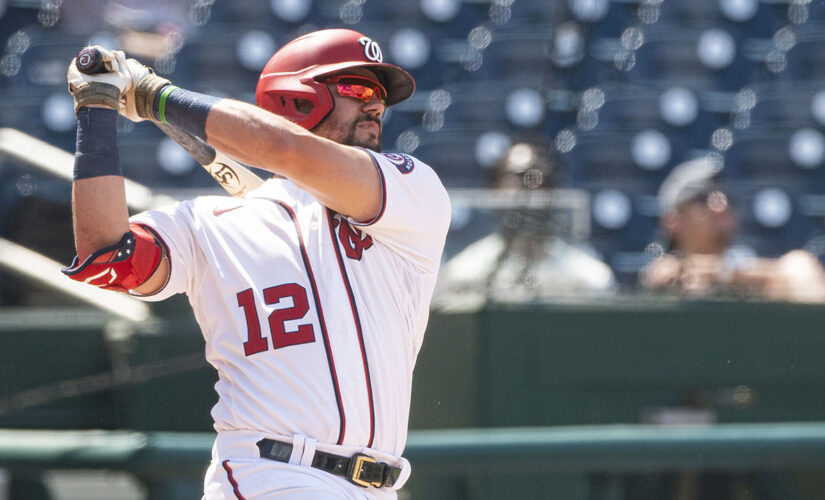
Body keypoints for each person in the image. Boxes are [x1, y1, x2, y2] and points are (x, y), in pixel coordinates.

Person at [61, 29, 450, 499]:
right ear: (297, 100)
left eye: (381, 96)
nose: (375, 105)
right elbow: (107, 254)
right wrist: (97, 110)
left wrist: (156, 96)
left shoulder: (413, 192)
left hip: (377, 486)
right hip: (271, 474)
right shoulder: (211, 224)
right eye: (358, 89)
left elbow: (285, 150)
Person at [432, 142, 616, 311]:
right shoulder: (466, 271)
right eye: (518, 177)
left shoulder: (584, 275)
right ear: (495, 188)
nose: (531, 185)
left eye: (540, 176)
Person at [641, 157, 825, 302]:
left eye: (724, 196)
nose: (720, 205)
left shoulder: (747, 262)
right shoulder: (667, 270)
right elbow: (665, 275)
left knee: (799, 264)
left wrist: (726, 275)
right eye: (702, 199)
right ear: (672, 222)